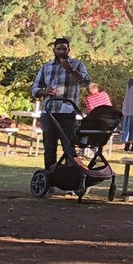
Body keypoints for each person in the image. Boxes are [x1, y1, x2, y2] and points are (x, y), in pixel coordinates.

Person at [31, 38, 91, 170]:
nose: (61, 51)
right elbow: (34, 90)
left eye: (64, 48)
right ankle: (51, 178)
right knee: (49, 147)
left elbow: (86, 82)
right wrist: (45, 91)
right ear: (54, 50)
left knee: (69, 147)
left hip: (68, 112)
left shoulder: (77, 65)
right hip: (49, 112)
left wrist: (71, 70)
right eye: (58, 49)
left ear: (69, 50)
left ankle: (71, 177)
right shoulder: (46, 67)